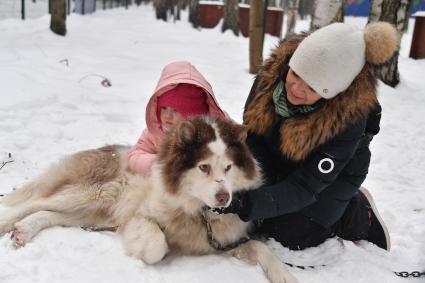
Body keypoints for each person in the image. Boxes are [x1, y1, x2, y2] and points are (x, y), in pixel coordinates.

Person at [217, 22, 400, 251]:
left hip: (334, 178)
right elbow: (254, 137)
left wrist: (247, 203)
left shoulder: (348, 120)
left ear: (331, 93)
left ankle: (357, 215)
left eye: (312, 88)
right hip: (281, 156)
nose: (297, 89)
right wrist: (247, 184)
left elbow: (305, 186)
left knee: (291, 235)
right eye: (296, 74)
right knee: (258, 220)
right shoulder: (272, 77)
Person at [128, 61, 228, 175]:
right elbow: (135, 155)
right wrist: (157, 164)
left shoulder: (218, 131)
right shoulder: (155, 132)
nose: (167, 116)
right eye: (164, 108)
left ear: (194, 114)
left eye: (176, 110)